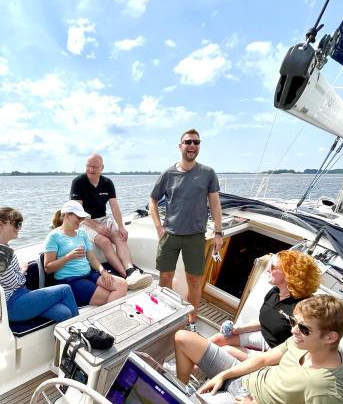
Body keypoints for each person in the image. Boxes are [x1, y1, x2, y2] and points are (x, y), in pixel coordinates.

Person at [186, 295, 343, 404]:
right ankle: (186, 389)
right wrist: (224, 374)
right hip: (245, 378)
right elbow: (264, 359)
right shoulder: (305, 343)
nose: (293, 330)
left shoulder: (329, 388)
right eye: (293, 322)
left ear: (330, 337)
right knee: (184, 338)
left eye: (304, 328)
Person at [177, 250, 321, 365]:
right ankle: (190, 366)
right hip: (261, 337)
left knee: (227, 350)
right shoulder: (275, 292)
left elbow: (300, 349)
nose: (268, 270)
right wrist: (236, 330)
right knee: (217, 339)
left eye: (273, 267)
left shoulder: (302, 309)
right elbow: (266, 322)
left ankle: (192, 374)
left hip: (276, 353)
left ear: (290, 275)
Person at [148, 129, 224, 333]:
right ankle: (165, 318)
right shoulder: (168, 174)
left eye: (196, 142)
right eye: (188, 142)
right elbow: (152, 201)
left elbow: (215, 205)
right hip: (170, 235)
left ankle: (191, 321)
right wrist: (158, 227)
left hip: (195, 237)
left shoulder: (208, 173)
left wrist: (218, 233)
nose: (192, 146)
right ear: (180, 146)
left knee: (194, 280)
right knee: (165, 279)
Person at [70, 153, 152, 290]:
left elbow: (114, 206)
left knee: (120, 237)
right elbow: (76, 211)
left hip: (103, 219)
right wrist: (96, 226)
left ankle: (131, 271)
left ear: (102, 167)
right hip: (85, 221)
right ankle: (126, 276)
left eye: (95, 167)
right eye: (88, 166)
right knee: (105, 242)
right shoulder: (78, 182)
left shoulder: (107, 183)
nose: (91, 170)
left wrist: (121, 227)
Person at [0, 207, 79, 322]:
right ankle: (82, 333)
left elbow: (12, 279)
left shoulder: (3, 248)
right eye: (16, 224)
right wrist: (22, 270)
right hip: (13, 304)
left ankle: (69, 335)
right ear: (1, 224)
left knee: (65, 313)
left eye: (20, 224)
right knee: (65, 289)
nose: (19, 228)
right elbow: (14, 283)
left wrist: (18, 272)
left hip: (22, 295)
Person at [44, 201, 128, 307]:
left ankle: (107, 317)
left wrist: (103, 271)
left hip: (89, 274)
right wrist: (68, 257)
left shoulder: (82, 233)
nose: (81, 221)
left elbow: (92, 258)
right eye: (78, 218)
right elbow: (48, 268)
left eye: (83, 219)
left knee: (122, 285)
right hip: (71, 280)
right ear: (66, 215)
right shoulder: (54, 236)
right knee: (109, 296)